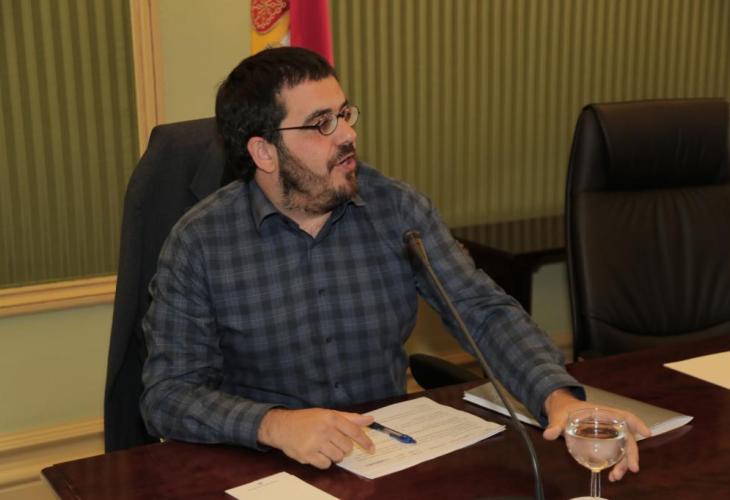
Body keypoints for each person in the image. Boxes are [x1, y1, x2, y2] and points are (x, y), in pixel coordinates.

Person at [140, 47, 649, 477]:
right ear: (264, 153)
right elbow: (168, 394)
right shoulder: (200, 242)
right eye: (321, 124)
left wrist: (559, 398)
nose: (346, 135)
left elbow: (483, 312)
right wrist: (272, 425)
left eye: (344, 114)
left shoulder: (398, 211)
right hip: (262, 468)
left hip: (384, 458)